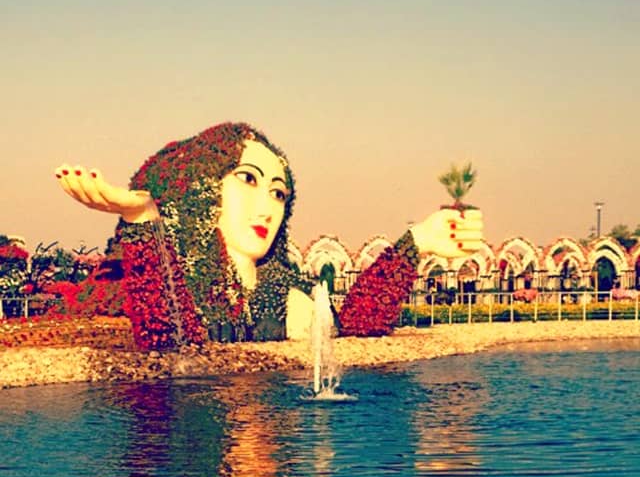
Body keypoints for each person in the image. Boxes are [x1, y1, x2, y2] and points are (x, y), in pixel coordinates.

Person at [55, 122, 483, 349]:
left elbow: (355, 328)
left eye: (278, 193)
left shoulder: (293, 294)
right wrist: (143, 220)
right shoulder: (186, 288)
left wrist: (415, 243)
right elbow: (168, 340)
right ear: (199, 191)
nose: (268, 208)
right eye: (247, 179)